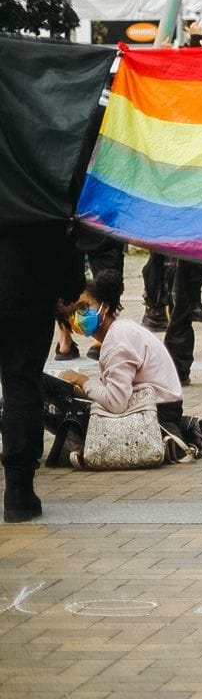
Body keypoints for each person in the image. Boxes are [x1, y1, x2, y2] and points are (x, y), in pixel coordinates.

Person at [44, 265, 199, 467]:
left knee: (49, 399)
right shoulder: (119, 332)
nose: (77, 317)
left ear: (105, 306)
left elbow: (116, 402)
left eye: (84, 308)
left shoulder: (118, 341)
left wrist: (82, 380)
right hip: (157, 405)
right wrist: (80, 390)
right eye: (71, 313)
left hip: (154, 412)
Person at [1, 223, 85, 520]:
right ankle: (19, 490)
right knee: (22, 382)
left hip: (26, 286)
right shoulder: (36, 175)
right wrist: (69, 285)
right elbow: (60, 222)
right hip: (26, 286)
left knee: (21, 382)